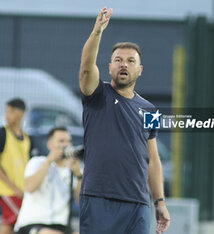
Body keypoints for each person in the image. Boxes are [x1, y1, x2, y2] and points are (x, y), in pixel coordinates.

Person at [79, 7, 170, 234]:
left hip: (137, 203)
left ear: (139, 70)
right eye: (118, 60)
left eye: (130, 61)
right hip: (98, 197)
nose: (123, 64)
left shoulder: (150, 109)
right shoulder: (97, 95)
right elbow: (86, 68)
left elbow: (153, 159)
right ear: (109, 67)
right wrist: (97, 31)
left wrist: (159, 202)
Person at [14, 127, 82, 234]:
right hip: (33, 224)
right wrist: (49, 161)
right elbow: (30, 187)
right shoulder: (37, 162)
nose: (66, 145)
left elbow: (80, 202)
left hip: (61, 226)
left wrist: (79, 175)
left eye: (69, 141)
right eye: (61, 141)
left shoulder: (72, 169)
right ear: (50, 144)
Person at [0, 98, 32, 234]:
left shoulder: (27, 138)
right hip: (7, 191)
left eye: (12, 111)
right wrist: (14, 187)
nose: (7, 115)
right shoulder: (2, 133)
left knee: (14, 224)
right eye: (6, 111)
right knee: (15, 222)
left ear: (22, 114)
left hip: (22, 191)